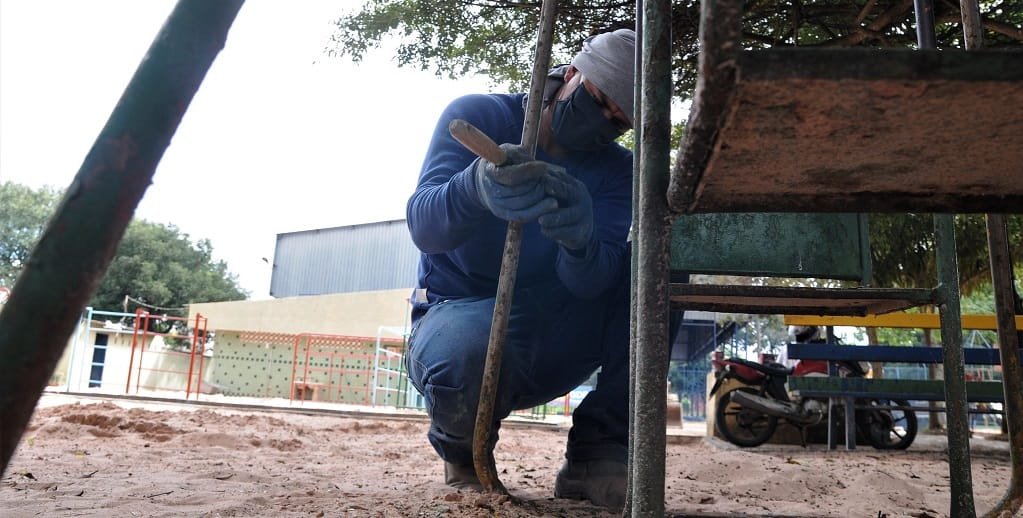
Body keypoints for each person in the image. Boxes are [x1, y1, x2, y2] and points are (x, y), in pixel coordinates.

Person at [404, 28, 636, 509]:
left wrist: (580, 243)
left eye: (619, 121)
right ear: (572, 74)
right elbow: (425, 226)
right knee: (464, 352)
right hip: (462, 311)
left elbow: (595, 283)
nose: (603, 123)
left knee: (657, 273)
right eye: (599, 101)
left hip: (557, 333)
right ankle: (465, 453)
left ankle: (597, 456)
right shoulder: (480, 115)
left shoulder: (618, 171)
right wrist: (474, 187)